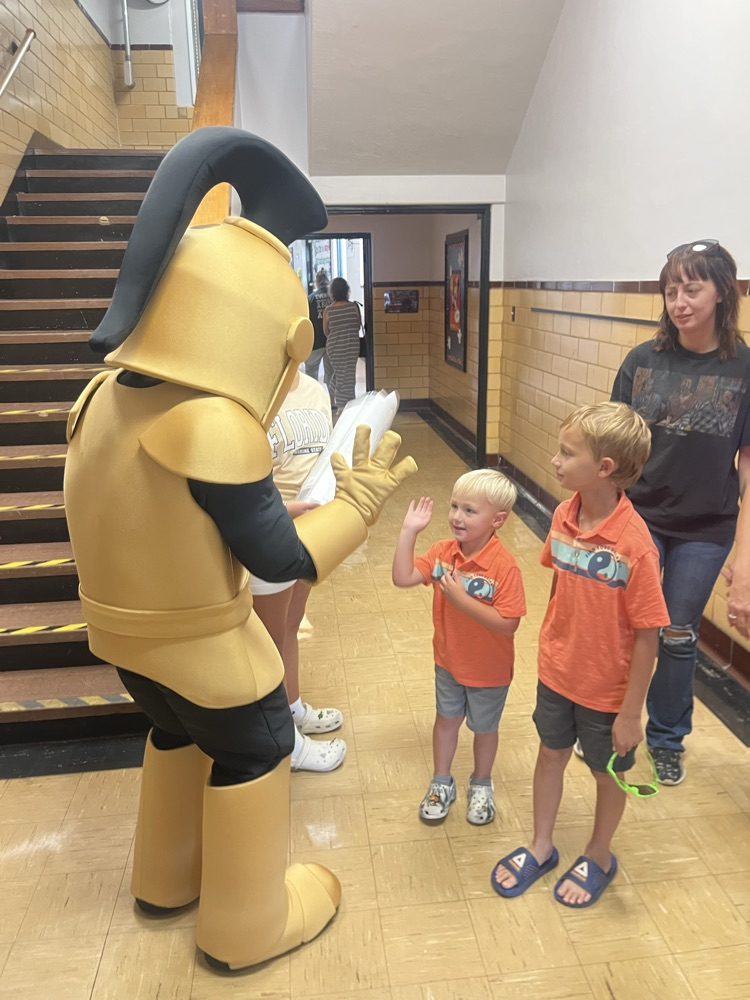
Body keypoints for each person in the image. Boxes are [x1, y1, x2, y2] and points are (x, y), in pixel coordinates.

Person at [63, 128, 417, 973]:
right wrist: (359, 505)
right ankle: (246, 922)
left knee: (178, 735)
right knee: (257, 746)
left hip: (125, 646)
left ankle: (166, 876)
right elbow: (283, 556)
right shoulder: (215, 423)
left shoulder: (102, 396)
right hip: (204, 645)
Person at [492, 402, 669, 907]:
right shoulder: (565, 514)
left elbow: (647, 634)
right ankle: (542, 845)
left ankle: (599, 853)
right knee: (550, 755)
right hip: (557, 674)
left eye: (568, 454)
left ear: (605, 468)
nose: (555, 461)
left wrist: (632, 712)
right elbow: (561, 587)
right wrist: (554, 643)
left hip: (607, 692)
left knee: (603, 771)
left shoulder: (635, 547)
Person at [611, 239, 750, 786]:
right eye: (671, 290)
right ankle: (612, 724)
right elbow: (613, 446)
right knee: (623, 626)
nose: (679, 301)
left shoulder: (744, 367)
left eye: (692, 288)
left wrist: (744, 553)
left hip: (705, 528)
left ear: (723, 292)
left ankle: (667, 738)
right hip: (636, 518)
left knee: (675, 632)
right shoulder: (642, 360)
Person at [392, 470, 526, 825]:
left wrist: (463, 600)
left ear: (497, 520)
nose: (456, 516)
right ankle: (441, 781)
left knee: (484, 729)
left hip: (489, 671)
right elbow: (402, 577)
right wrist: (409, 532)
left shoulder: (505, 567)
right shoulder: (441, 554)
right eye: (454, 506)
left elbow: (509, 623)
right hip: (448, 663)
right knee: (446, 722)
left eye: (469, 510)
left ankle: (481, 783)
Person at [250, 368, 346, 772]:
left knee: (290, 624)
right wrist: (281, 511)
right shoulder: (248, 389)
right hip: (264, 529)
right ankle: (282, 743)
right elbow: (236, 478)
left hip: (309, 529)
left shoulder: (314, 389)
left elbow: (322, 458)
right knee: (264, 641)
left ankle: (291, 709)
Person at [323, 276, 362, 411]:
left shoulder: (328, 310)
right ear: (346, 290)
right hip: (351, 345)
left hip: (334, 348)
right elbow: (357, 327)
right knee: (348, 375)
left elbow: (326, 331)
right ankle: (345, 405)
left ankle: (339, 402)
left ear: (332, 292)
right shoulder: (354, 307)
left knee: (340, 374)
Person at [305, 270, 333, 388]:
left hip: (315, 342)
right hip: (331, 341)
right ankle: (332, 401)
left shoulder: (310, 298)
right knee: (331, 373)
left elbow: (307, 319)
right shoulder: (334, 297)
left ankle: (313, 397)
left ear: (317, 282)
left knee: (311, 372)